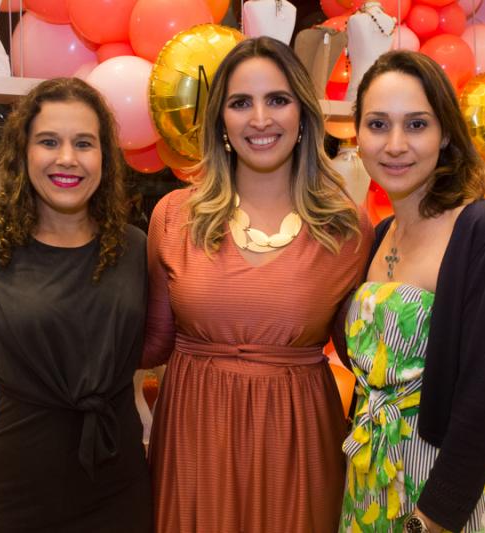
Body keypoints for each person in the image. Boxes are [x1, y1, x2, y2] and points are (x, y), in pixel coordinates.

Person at [143, 36, 373, 533]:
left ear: (303, 114)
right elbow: (151, 343)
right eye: (241, 103)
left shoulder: (346, 227)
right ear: (220, 120)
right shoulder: (174, 217)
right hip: (195, 442)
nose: (261, 118)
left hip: (298, 445)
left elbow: (364, 355)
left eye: (278, 99)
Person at [0, 77, 152, 533]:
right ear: (23, 153)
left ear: (105, 157)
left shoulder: (135, 249)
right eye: (49, 141)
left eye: (84, 143)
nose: (67, 158)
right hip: (19, 493)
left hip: (120, 487)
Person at [339, 51, 485, 533]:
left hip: (441, 496)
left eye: (417, 124)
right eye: (378, 124)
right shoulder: (379, 235)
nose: (395, 145)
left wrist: (431, 518)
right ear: (358, 135)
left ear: (445, 133)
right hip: (368, 483)